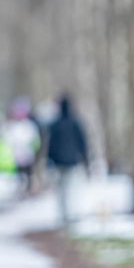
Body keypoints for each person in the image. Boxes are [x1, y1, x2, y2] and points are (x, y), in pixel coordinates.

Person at [47, 94, 89, 224]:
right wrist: (85, 159)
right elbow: (82, 142)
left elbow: (51, 145)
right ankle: (71, 214)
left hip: (59, 163)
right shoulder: (75, 123)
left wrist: (50, 161)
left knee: (61, 190)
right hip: (72, 162)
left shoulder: (55, 124)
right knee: (72, 189)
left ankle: (64, 215)